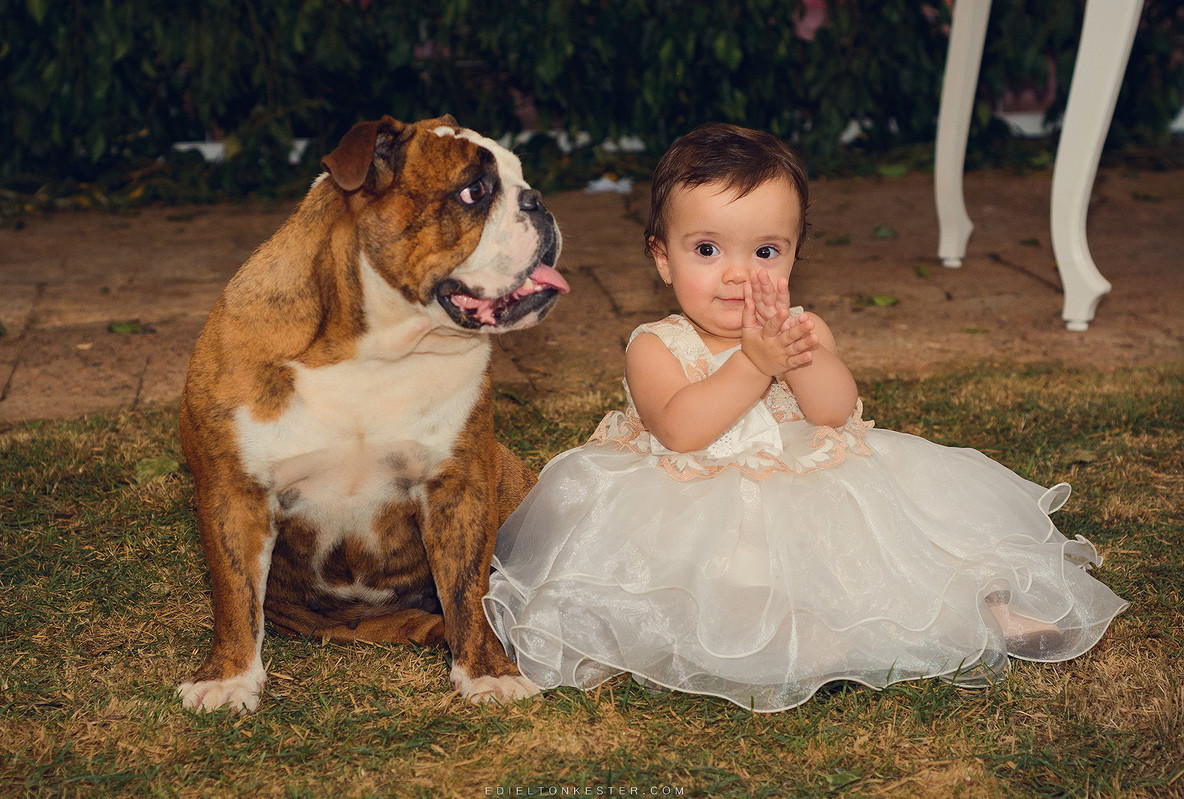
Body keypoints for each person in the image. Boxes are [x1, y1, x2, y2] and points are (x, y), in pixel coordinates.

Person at [483, 122, 1127, 712]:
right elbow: (681, 430)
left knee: (910, 540)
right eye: (707, 249)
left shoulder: (801, 329)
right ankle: (801, 634)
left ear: (794, 255)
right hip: (694, 501)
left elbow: (834, 409)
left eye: (765, 252)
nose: (738, 274)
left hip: (808, 483)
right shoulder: (655, 346)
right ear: (662, 257)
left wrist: (795, 356)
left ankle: (983, 607)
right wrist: (752, 363)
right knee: (726, 580)